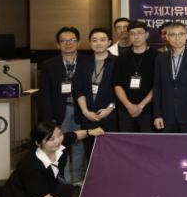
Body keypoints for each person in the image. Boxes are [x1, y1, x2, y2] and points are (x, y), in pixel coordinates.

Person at [39, 26, 89, 184]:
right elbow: (45, 94)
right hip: (60, 111)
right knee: (60, 145)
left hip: (82, 110)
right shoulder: (49, 65)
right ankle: (65, 181)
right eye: (63, 41)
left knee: (80, 145)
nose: (68, 43)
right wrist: (48, 119)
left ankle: (78, 179)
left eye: (72, 40)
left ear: (78, 42)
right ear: (58, 44)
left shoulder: (88, 61)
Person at [153, 22, 187, 133]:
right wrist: (157, 115)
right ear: (167, 37)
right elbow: (157, 88)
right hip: (166, 116)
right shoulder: (160, 59)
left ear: (186, 36)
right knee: (167, 144)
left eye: (181, 34)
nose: (177, 38)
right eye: (173, 35)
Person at [73, 27, 118, 158]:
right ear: (90, 43)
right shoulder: (83, 62)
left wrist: (109, 109)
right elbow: (78, 89)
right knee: (90, 151)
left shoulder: (117, 62)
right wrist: (85, 111)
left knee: (110, 152)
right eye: (94, 40)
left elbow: (121, 90)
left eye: (102, 40)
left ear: (109, 42)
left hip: (110, 114)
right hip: (89, 115)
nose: (98, 43)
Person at [113, 21, 155, 132]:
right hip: (125, 110)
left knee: (148, 141)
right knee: (126, 141)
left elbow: (158, 85)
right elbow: (117, 85)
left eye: (140, 33)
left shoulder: (158, 57)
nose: (136, 37)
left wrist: (141, 105)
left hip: (149, 110)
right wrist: (128, 105)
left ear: (147, 35)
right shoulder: (121, 58)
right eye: (132, 33)